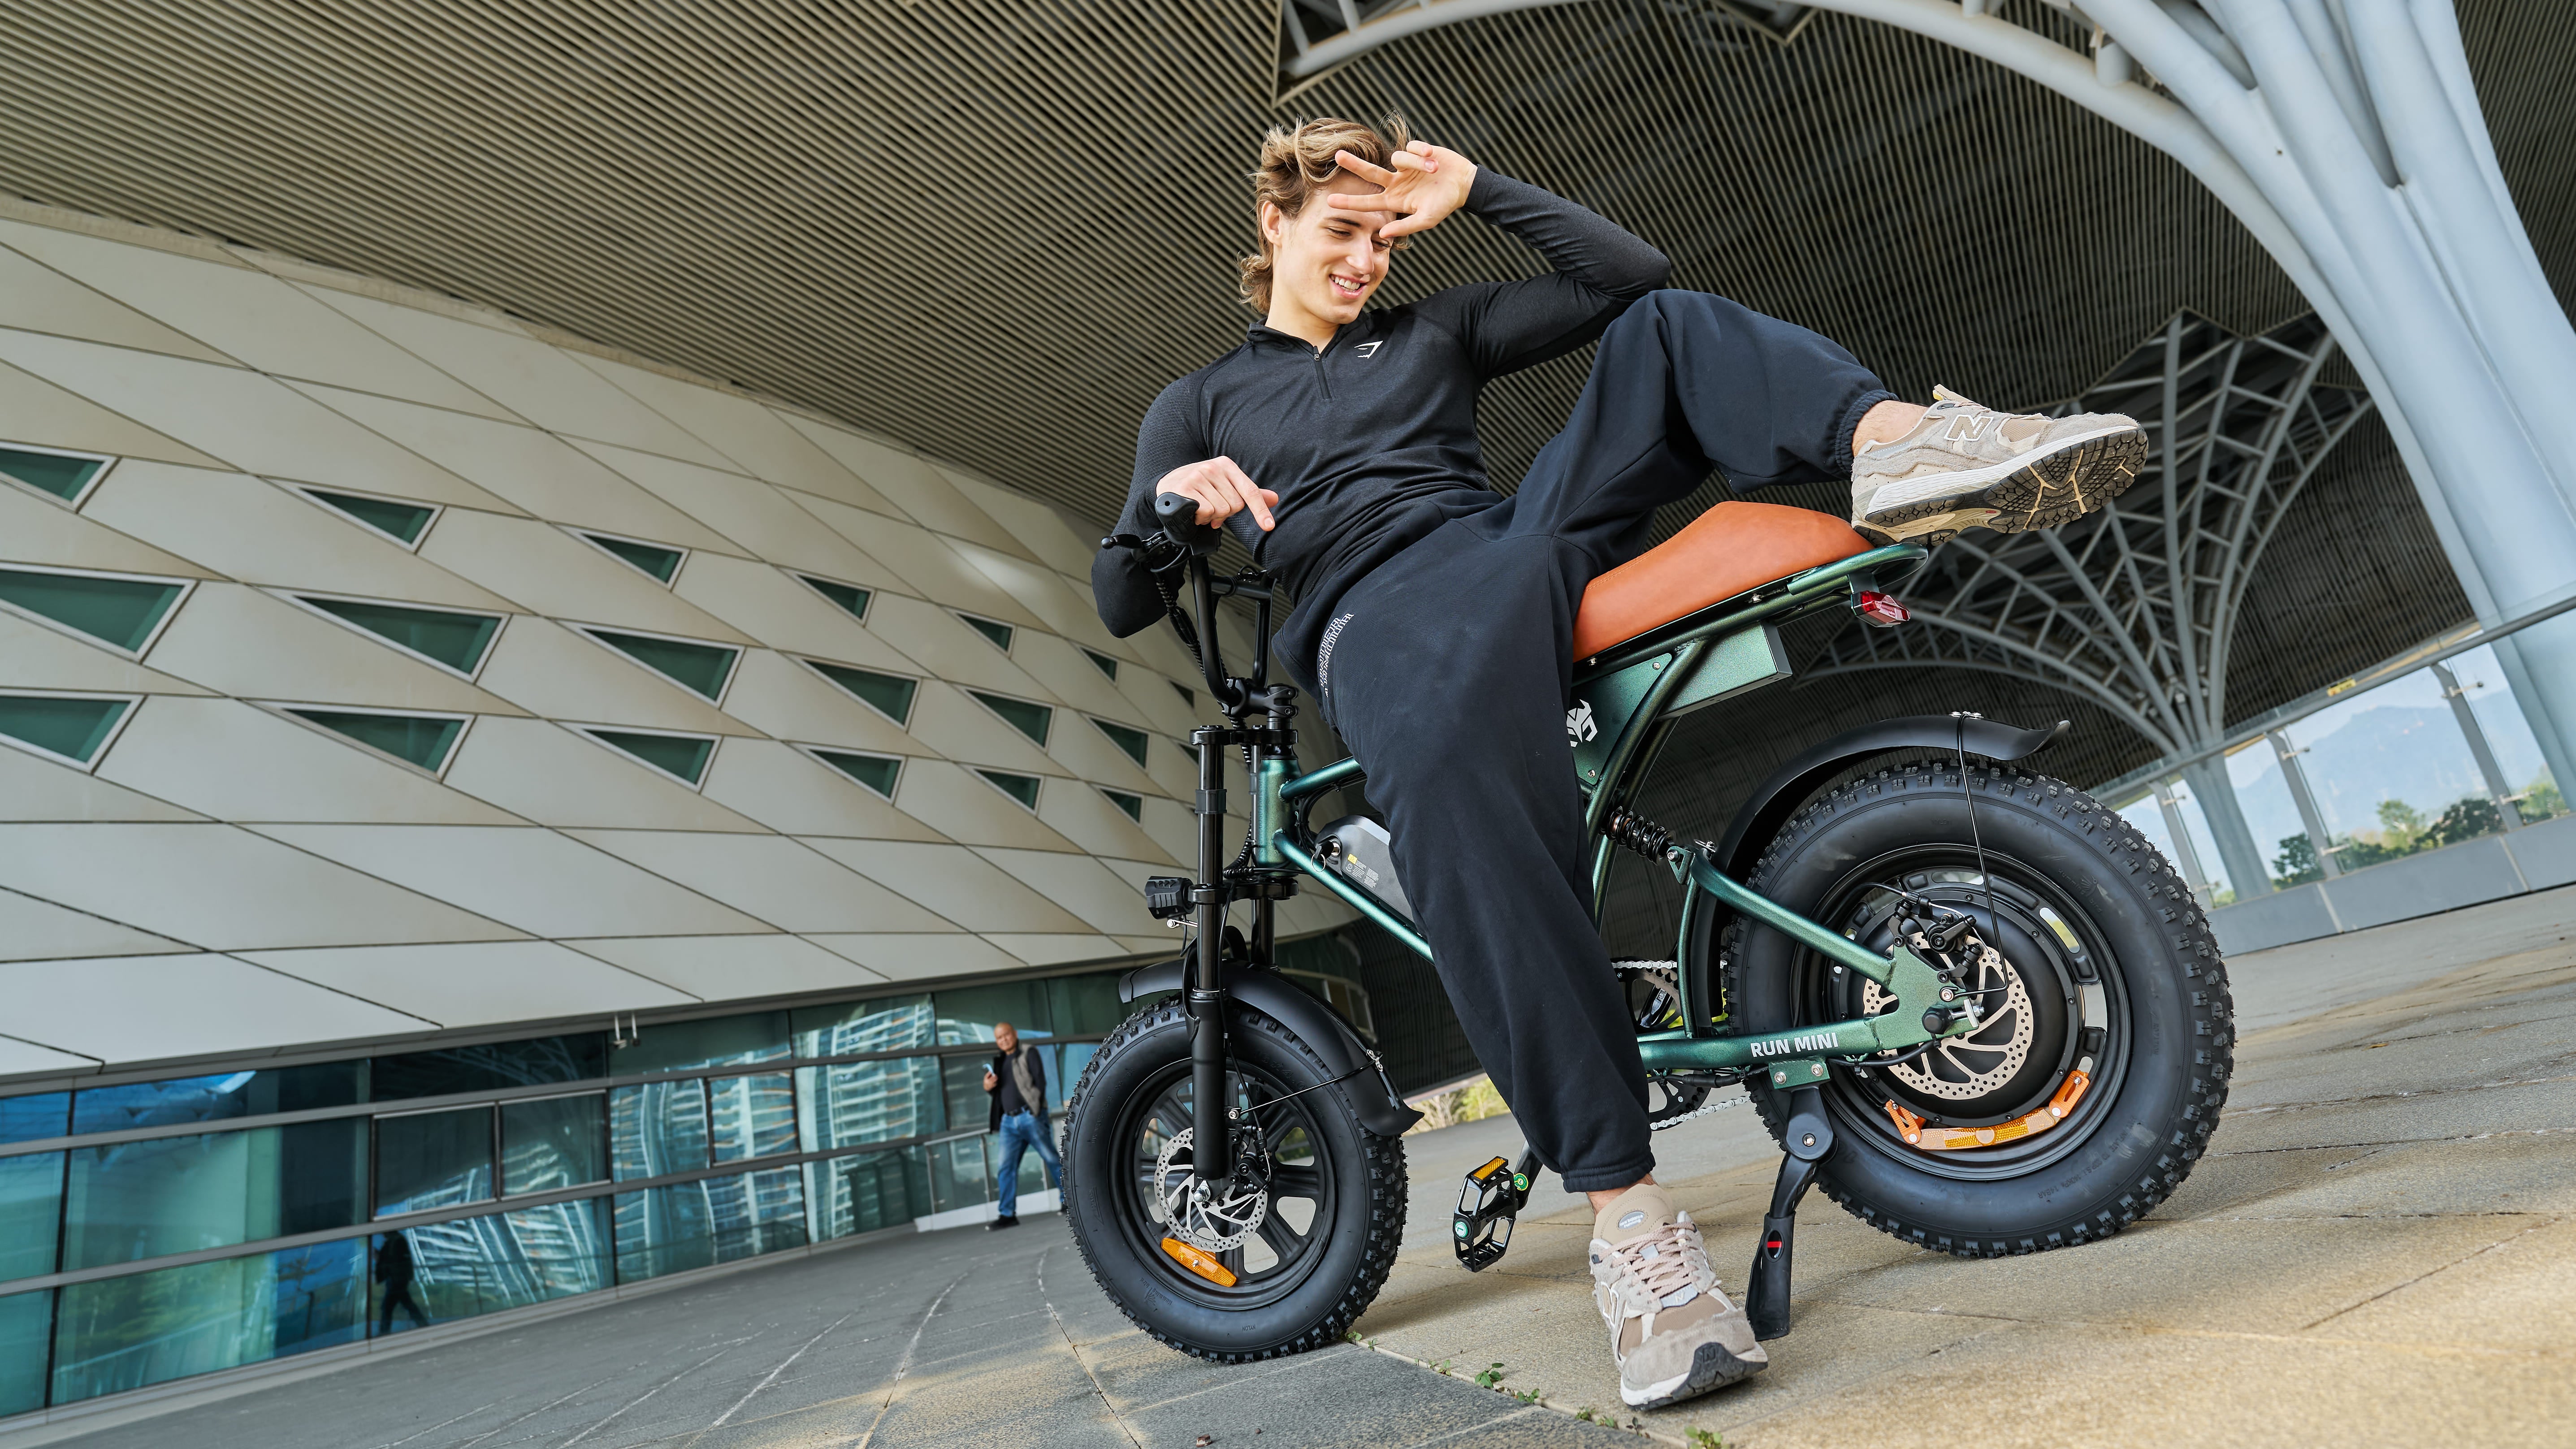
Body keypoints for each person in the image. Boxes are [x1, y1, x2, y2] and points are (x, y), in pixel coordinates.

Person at [1090, 117, 2144, 1409]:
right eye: (1341, 233)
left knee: (1670, 329)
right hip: (1369, 608)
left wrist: (1479, 188)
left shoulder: (1432, 331)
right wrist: (1170, 506)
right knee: (1455, 797)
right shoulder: (1200, 403)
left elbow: (1627, 277)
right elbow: (1122, 599)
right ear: (1274, 224)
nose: (1365, 259)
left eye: (1382, 237)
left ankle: (1902, 443)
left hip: (1514, 546)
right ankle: (1637, 1229)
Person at [982, 1021, 1063, 1230]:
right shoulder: (1000, 1061)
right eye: (999, 1038)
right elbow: (999, 1094)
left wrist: (1034, 1110)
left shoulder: (1028, 1052)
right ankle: (1007, 1214)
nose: (1004, 1040)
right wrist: (988, 1087)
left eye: (1006, 1035)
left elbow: (1040, 1083)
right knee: (1005, 1168)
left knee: (1052, 1159)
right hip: (1009, 1122)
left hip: (1030, 1116)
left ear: (1015, 1034)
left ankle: (1069, 1201)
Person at [375, 1229, 429, 1334]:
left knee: (388, 1307)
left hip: (396, 1281)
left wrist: (380, 1258)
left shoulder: (396, 1241)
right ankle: (423, 1326)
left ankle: (384, 1333)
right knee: (404, 1305)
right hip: (397, 1280)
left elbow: (393, 1261)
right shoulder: (396, 1241)